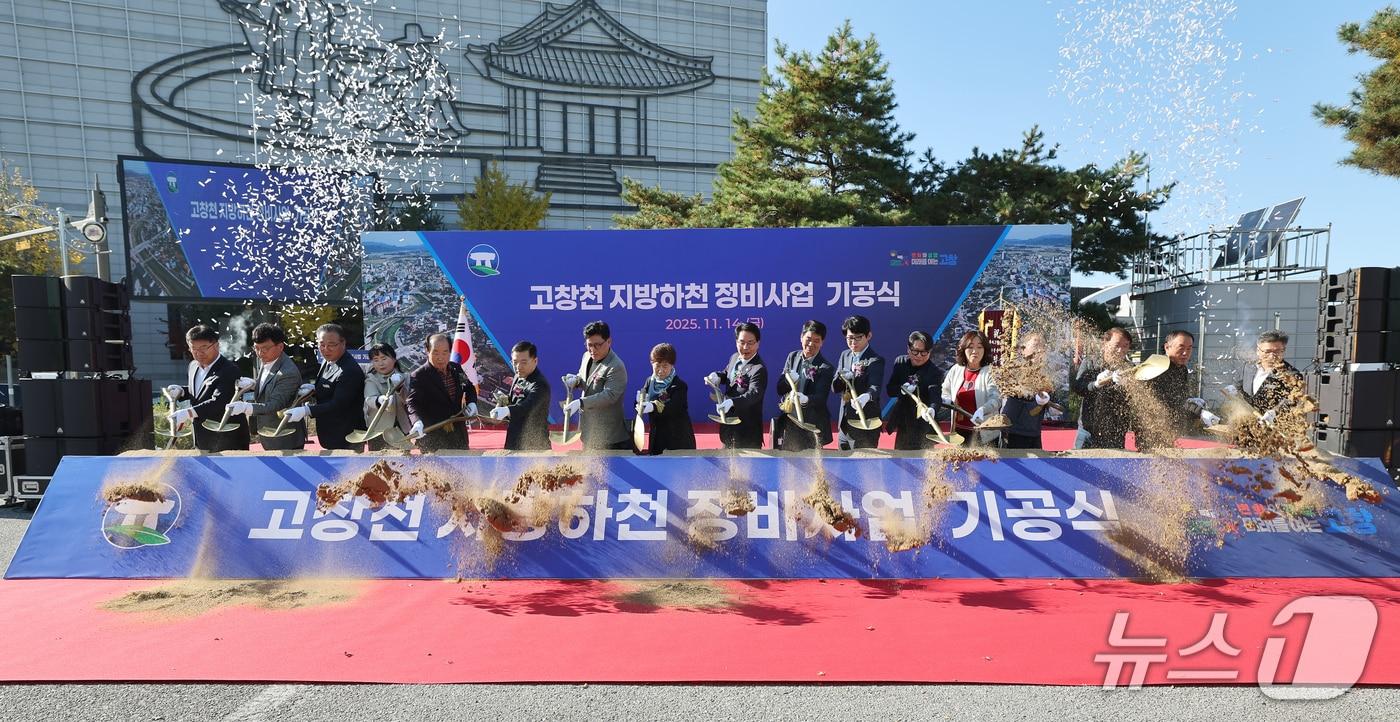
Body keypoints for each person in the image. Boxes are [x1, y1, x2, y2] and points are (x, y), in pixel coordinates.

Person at [164, 324, 249, 452]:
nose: (199, 353)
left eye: (204, 348)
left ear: (216, 345)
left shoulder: (229, 370)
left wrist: (188, 413)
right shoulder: (193, 366)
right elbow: (201, 392)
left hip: (228, 440)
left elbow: (219, 401)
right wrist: (182, 391)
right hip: (201, 438)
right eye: (194, 349)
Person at [283, 323, 366, 451]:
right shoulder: (328, 361)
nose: (326, 349)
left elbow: (338, 404)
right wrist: (314, 390)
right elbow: (331, 389)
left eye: (332, 345)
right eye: (322, 344)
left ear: (343, 343)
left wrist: (307, 411)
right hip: (329, 434)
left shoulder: (349, 370)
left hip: (347, 437)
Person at [228, 323, 306, 451]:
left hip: (285, 439)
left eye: (264, 349)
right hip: (269, 434)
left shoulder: (287, 372)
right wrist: (254, 384)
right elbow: (269, 385)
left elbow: (274, 405)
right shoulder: (268, 359)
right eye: (256, 348)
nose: (259, 353)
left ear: (280, 346)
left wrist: (245, 407)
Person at [1140, 330, 1217, 449]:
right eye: (1181, 348)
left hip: (1171, 428)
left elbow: (1180, 397)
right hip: (1151, 428)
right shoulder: (1156, 367)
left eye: (1189, 348)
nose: (1185, 353)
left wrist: (1192, 401)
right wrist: (1198, 412)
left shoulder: (1181, 369)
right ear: (1167, 347)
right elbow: (1165, 399)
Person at [561, 321, 630, 451]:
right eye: (589, 345)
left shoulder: (616, 366)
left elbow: (609, 396)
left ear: (609, 341)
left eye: (597, 345)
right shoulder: (587, 356)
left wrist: (581, 403)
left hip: (610, 437)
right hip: (589, 432)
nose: (593, 350)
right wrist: (576, 381)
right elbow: (585, 380)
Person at [406, 333, 478, 451]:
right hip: (433, 437)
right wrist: (417, 421)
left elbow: (469, 387)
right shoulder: (419, 376)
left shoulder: (456, 369)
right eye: (435, 352)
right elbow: (411, 403)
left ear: (450, 352)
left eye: (445, 352)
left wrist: (472, 402)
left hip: (459, 434)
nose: (441, 357)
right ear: (427, 351)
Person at [774, 320, 835, 451]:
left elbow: (821, 398)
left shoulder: (826, 367)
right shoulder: (792, 357)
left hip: (811, 424)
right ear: (801, 337)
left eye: (816, 340)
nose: (811, 344)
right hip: (790, 420)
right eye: (808, 339)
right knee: (788, 461)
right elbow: (779, 389)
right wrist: (787, 381)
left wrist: (806, 399)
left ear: (822, 342)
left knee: (811, 466)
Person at [707, 322, 768, 450]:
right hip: (728, 427)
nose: (745, 347)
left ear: (758, 343)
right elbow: (728, 374)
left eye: (750, 343)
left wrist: (732, 402)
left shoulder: (759, 369)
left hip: (747, 432)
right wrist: (718, 376)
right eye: (742, 342)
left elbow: (753, 394)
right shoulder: (735, 357)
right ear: (736, 342)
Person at [1071, 327, 1134, 450]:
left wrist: (1128, 386)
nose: (1121, 350)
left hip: (1116, 431)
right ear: (1105, 343)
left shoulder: (1129, 368)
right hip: (1088, 429)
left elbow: (1136, 400)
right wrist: (1095, 384)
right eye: (1116, 345)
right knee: (1081, 466)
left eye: (1125, 346)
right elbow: (1078, 388)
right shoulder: (1091, 363)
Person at [1225, 330, 1305, 425]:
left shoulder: (1292, 374)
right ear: (1258, 351)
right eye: (1267, 352)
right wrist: (1233, 389)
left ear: (1283, 350)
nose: (1272, 356)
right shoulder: (1248, 367)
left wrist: (1275, 412)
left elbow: (1293, 399)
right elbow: (1239, 386)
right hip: (1246, 424)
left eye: (1277, 351)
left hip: (1274, 428)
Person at [884, 330, 945, 450]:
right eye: (915, 351)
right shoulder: (900, 362)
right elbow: (890, 390)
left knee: (923, 461)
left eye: (924, 353)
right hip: (904, 421)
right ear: (908, 349)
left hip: (923, 423)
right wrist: (902, 390)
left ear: (930, 352)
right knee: (901, 458)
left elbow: (935, 395)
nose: (919, 356)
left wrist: (932, 408)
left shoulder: (934, 372)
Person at [940, 330, 1002, 446]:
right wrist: (947, 400)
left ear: (985, 350)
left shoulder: (990, 372)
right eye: (970, 347)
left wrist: (983, 410)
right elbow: (945, 391)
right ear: (963, 349)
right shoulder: (956, 369)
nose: (975, 352)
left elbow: (996, 398)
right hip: (959, 432)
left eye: (979, 347)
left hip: (984, 435)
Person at [834, 315, 886, 450]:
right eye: (850, 338)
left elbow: (875, 387)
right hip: (844, 424)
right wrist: (842, 377)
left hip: (865, 423)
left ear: (868, 336)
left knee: (864, 466)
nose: (853, 342)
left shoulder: (875, 360)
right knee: (842, 465)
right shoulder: (845, 355)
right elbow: (834, 387)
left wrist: (866, 397)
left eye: (858, 337)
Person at [998, 332, 1056, 450]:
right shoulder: (1015, 370)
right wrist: (1038, 401)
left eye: (1042, 346)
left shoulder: (1045, 374)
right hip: (1014, 433)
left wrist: (1052, 405)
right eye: (1035, 346)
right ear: (1023, 350)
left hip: (1034, 433)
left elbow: (1050, 404)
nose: (1039, 350)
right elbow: (1016, 400)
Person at [492, 341, 552, 451]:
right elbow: (513, 399)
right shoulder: (518, 376)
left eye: (524, 362)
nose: (518, 367)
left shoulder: (540, 384)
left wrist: (507, 410)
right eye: (515, 362)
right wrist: (502, 403)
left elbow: (527, 407)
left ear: (535, 361)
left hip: (534, 444)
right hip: (513, 440)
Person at [638, 342, 696, 455]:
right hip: (657, 440)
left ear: (672, 365)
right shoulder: (649, 381)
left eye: (665, 366)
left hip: (678, 442)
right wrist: (639, 403)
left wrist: (652, 406)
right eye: (657, 365)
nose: (660, 370)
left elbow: (672, 408)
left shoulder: (680, 386)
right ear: (651, 364)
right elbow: (642, 398)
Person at [362, 343, 412, 451]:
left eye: (384, 358)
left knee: (403, 460)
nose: (381, 363)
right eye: (376, 360)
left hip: (401, 427)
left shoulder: (405, 377)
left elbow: (408, 400)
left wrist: (400, 388)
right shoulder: (371, 379)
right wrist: (380, 400)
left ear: (394, 359)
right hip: (378, 429)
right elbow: (369, 399)